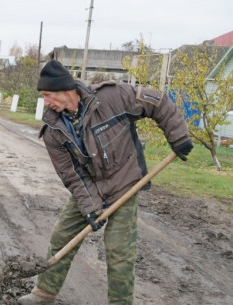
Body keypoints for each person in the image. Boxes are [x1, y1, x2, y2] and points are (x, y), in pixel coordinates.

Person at [18, 60, 193, 305]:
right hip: (92, 187)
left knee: (119, 252)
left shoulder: (112, 97)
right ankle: (44, 292)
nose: (46, 102)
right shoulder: (53, 129)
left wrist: (178, 136)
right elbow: (71, 175)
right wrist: (90, 208)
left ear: (65, 90)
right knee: (62, 236)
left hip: (124, 183)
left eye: (48, 95)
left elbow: (158, 101)